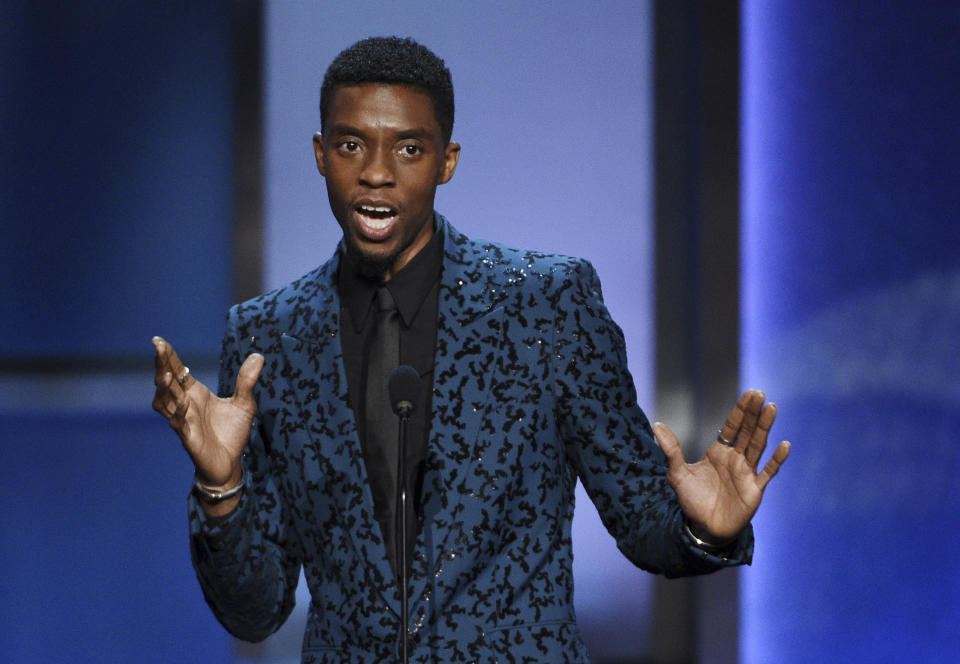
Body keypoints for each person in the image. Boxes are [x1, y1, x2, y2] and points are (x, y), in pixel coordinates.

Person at [152, 36, 790, 663]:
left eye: (408, 148)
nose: (376, 172)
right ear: (321, 154)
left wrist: (706, 527)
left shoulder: (547, 303)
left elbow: (644, 524)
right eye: (352, 145)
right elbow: (255, 610)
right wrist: (222, 483)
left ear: (446, 161)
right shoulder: (270, 338)